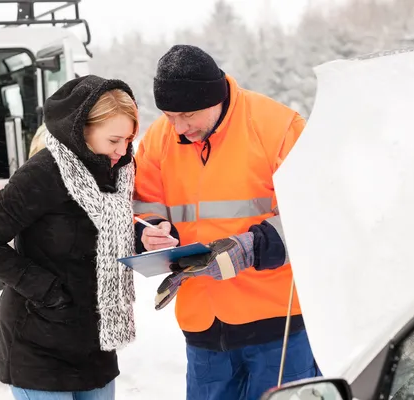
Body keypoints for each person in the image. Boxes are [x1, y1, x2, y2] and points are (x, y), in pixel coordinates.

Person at [133, 44, 321, 400]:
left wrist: (253, 247)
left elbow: (317, 212)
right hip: (204, 328)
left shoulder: (279, 127)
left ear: (215, 99)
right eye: (170, 115)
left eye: (187, 114)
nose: (179, 127)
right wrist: (153, 232)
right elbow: (144, 204)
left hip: (277, 324)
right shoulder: (160, 137)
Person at [0, 75, 139, 400]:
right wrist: (46, 291)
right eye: (114, 140)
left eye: (129, 139)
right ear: (82, 129)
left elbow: (108, 237)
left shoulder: (117, 174)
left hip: (95, 342)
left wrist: (146, 237)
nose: (123, 151)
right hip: (39, 342)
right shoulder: (43, 173)